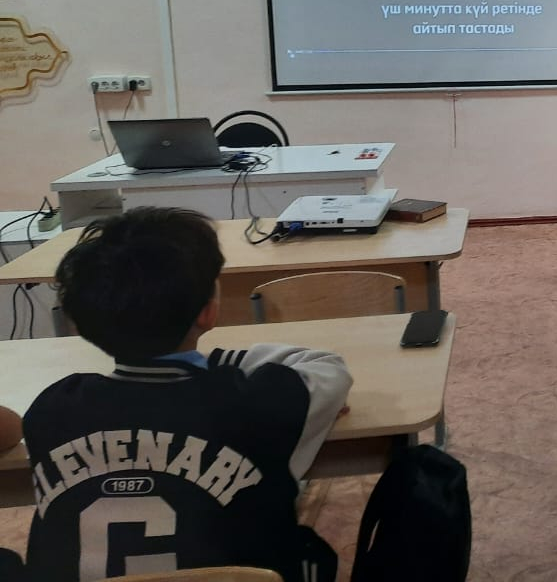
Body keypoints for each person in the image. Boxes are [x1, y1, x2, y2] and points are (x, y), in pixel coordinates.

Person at [24, 208, 352, 582]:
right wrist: (213, 362)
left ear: (79, 323)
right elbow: (327, 368)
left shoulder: (51, 409)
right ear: (208, 313)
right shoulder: (257, 402)